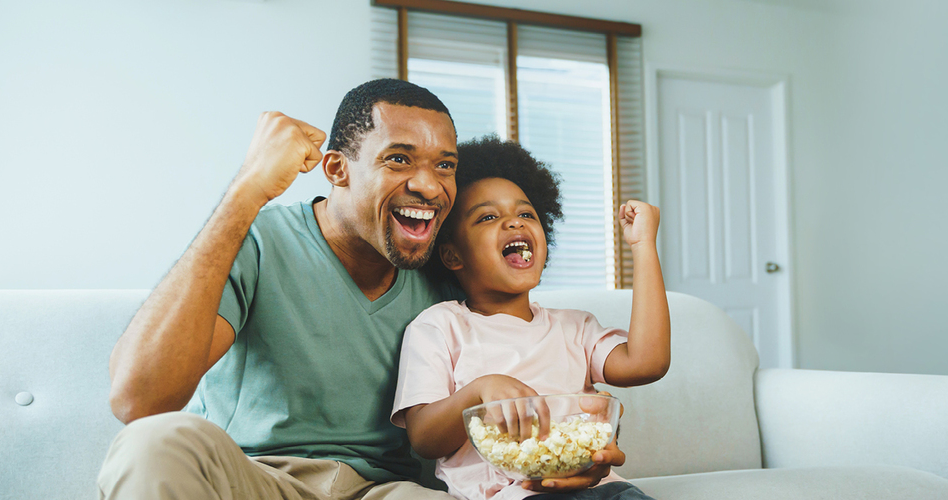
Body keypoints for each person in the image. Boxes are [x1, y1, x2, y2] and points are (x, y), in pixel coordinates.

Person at [98, 79, 626, 500]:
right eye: (399, 158)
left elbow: (524, 369)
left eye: (445, 165)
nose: (429, 184)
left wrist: (566, 459)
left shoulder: (446, 267)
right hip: (257, 479)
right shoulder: (261, 241)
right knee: (151, 445)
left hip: (389, 491)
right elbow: (140, 399)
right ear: (337, 169)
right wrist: (246, 192)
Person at [391, 136, 669, 500]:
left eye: (526, 214)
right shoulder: (439, 327)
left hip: (604, 489)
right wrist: (479, 391)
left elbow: (647, 363)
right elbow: (424, 438)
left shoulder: (575, 328)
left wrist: (643, 246)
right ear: (452, 256)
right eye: (488, 217)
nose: (513, 223)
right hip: (512, 494)